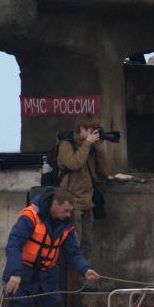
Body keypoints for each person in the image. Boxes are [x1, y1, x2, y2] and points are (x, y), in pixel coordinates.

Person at [2, 187, 99, 307]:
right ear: (55, 204)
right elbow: (14, 245)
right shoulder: (30, 217)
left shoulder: (66, 225)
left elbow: (73, 252)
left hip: (48, 275)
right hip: (24, 271)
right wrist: (15, 273)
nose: (68, 215)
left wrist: (85, 269)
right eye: (66, 210)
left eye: (70, 211)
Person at [56, 113, 110, 290]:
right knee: (74, 245)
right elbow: (74, 163)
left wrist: (100, 149)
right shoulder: (66, 145)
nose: (93, 133)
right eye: (90, 129)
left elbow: (104, 172)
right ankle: (71, 282)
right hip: (71, 204)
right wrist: (87, 144)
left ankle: (83, 278)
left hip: (88, 203)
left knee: (87, 243)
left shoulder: (91, 148)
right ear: (81, 128)